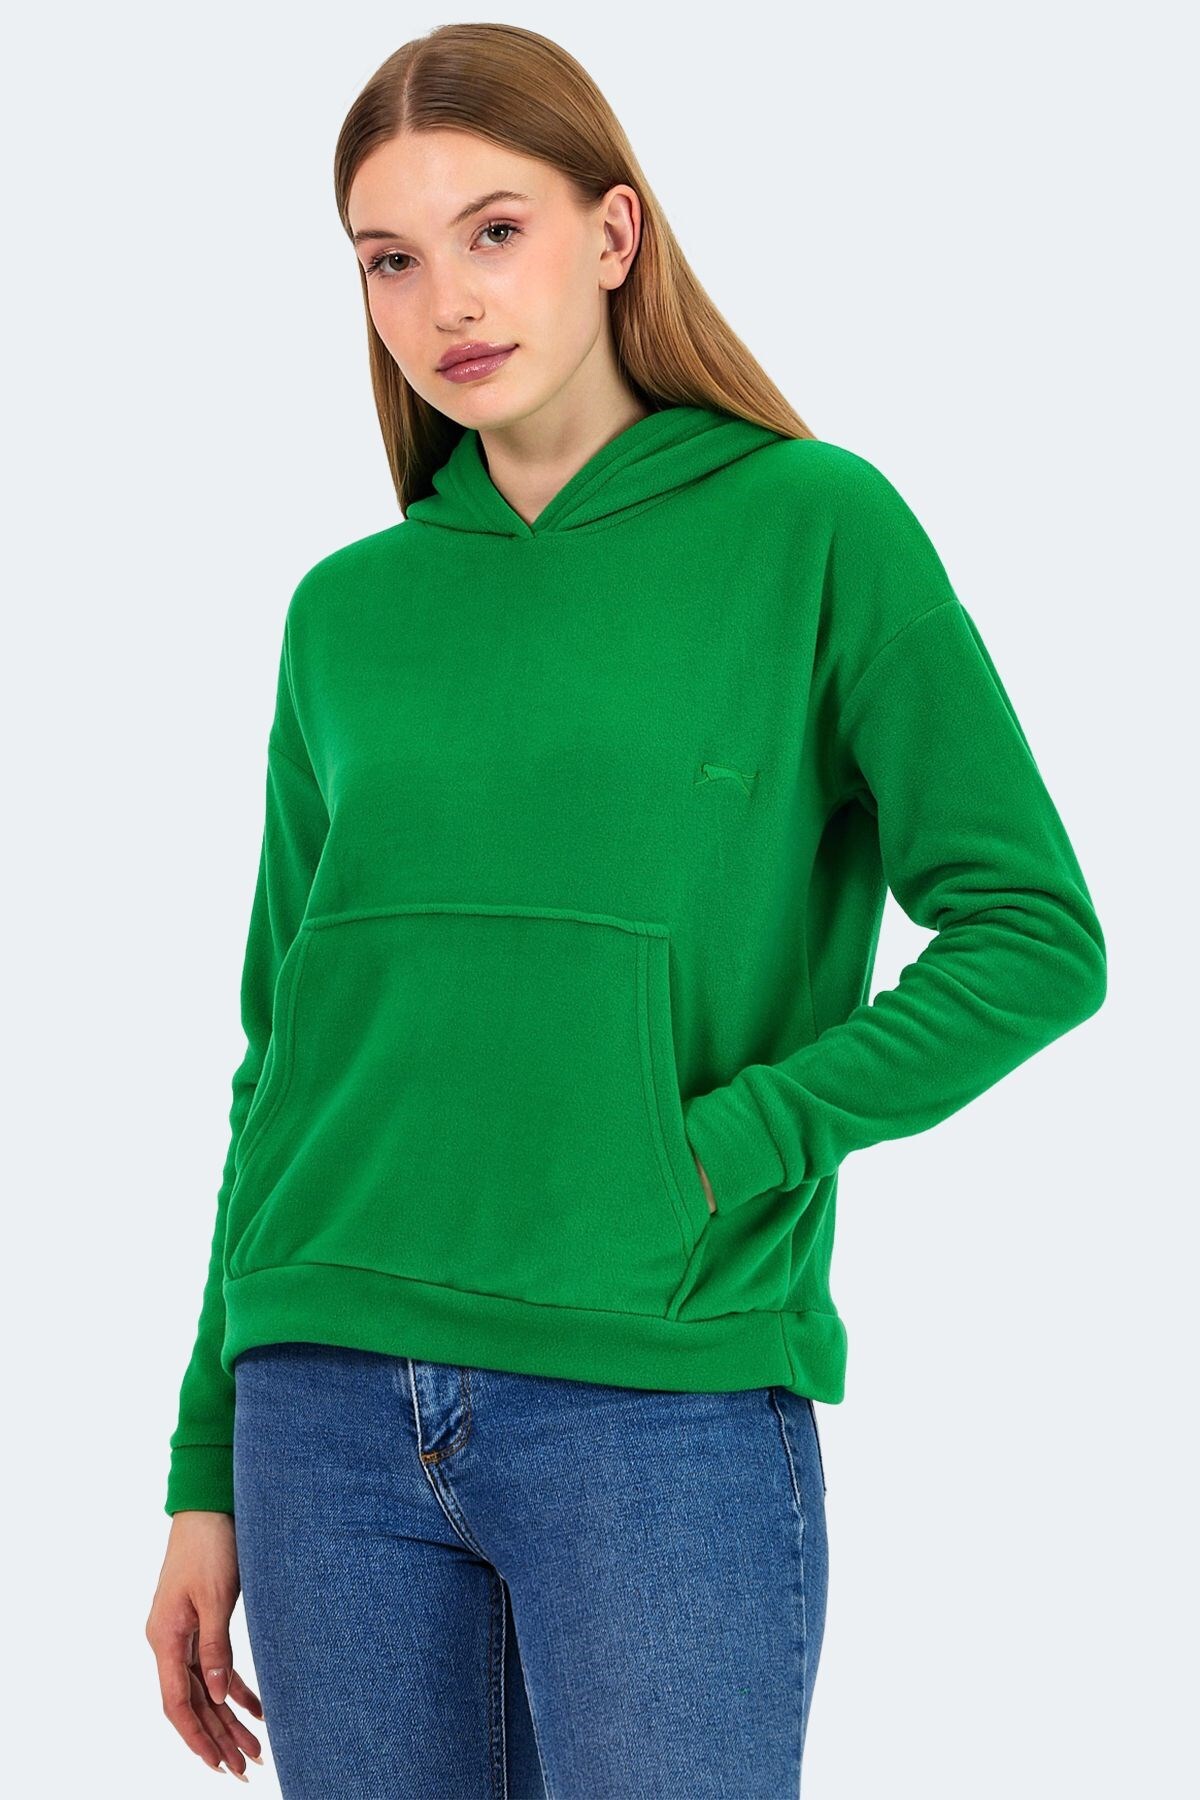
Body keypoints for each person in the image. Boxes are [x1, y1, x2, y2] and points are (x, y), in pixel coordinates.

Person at [144, 22, 1107, 1797]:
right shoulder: (345, 612)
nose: (448, 300)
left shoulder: (812, 528)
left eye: (495, 231)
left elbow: (1036, 934)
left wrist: (732, 1145)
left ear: (614, 232)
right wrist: (205, 1462)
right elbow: (282, 1054)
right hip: (321, 1411)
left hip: (653, 1395)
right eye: (390, 259)